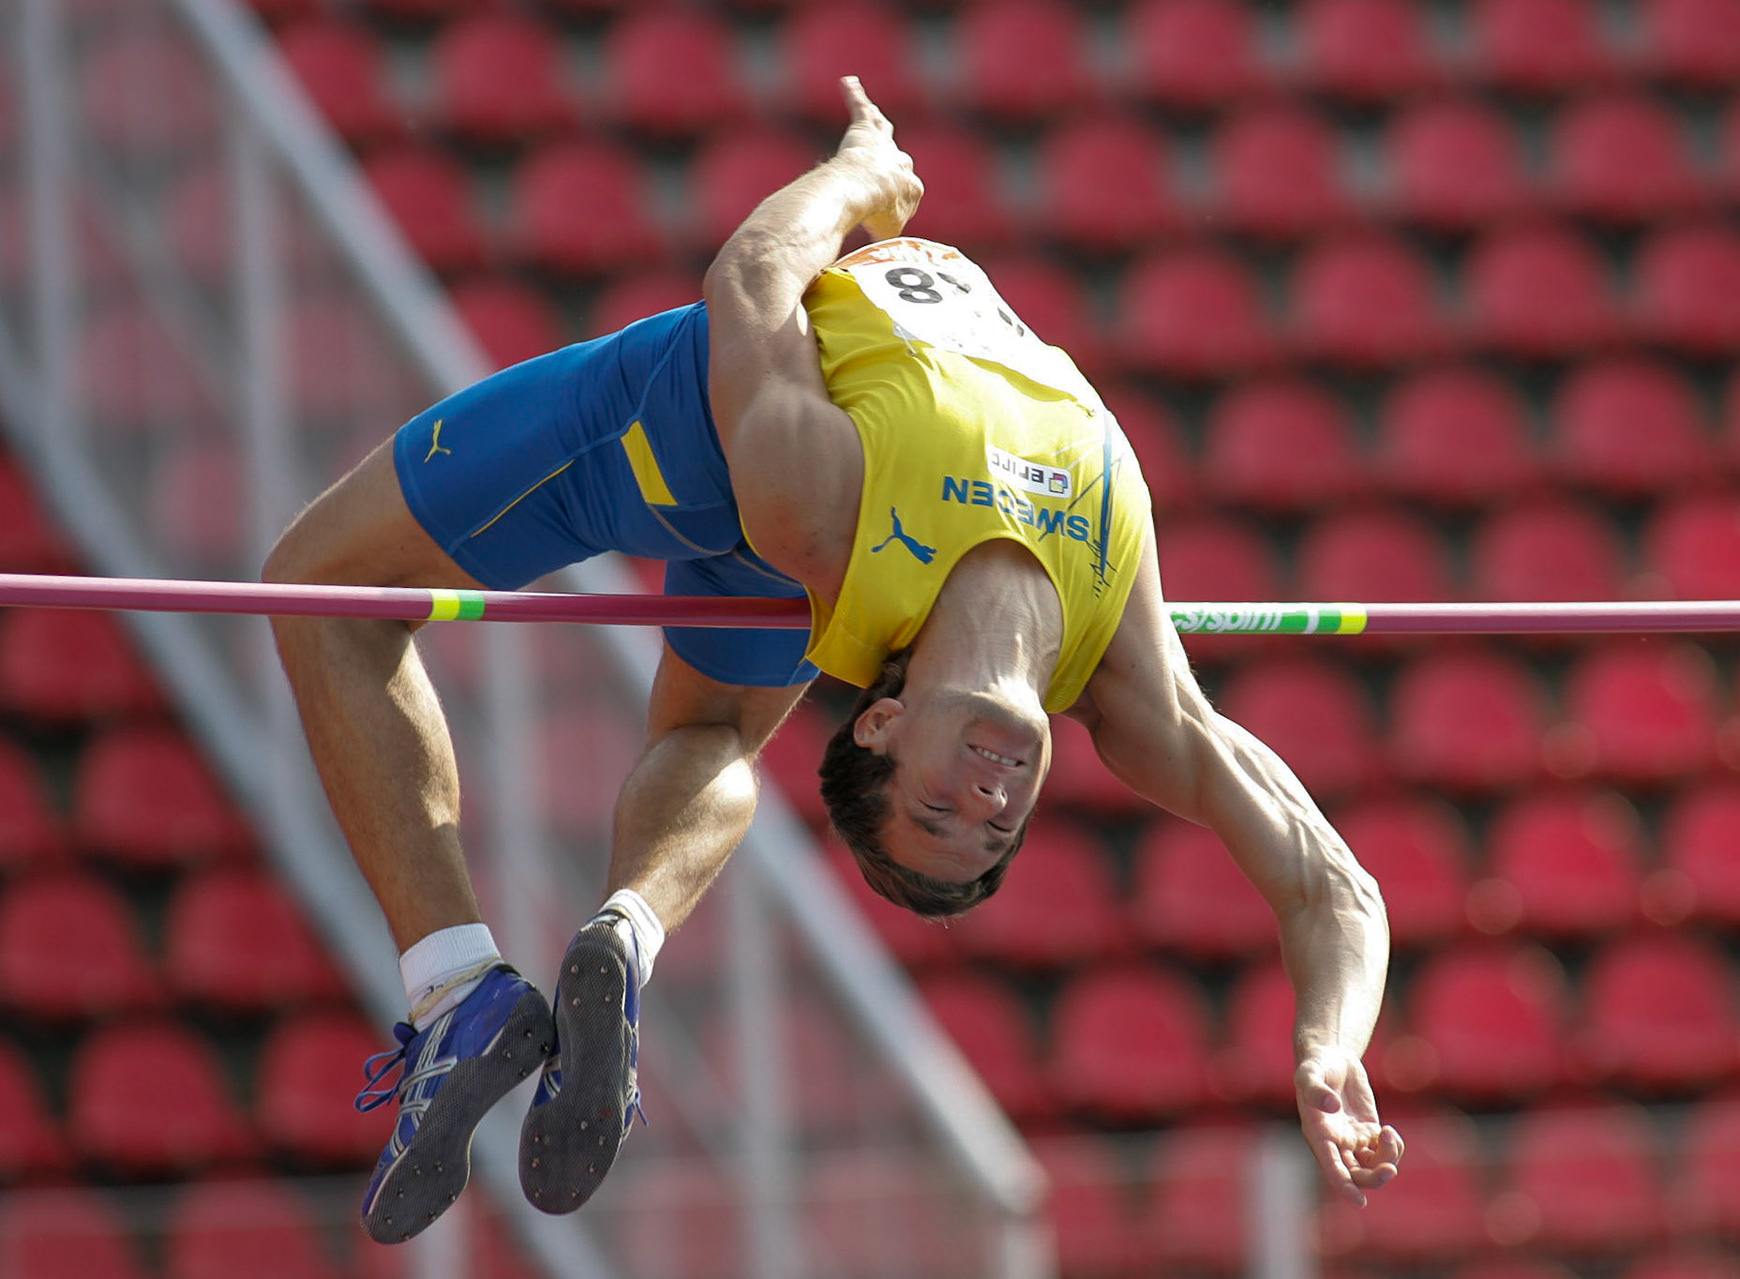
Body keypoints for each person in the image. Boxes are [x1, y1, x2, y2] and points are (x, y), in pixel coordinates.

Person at [265, 78, 1401, 1244]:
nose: (989, 798)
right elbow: (1333, 888)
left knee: (316, 588)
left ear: (882, 723)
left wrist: (862, 178)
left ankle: (465, 984)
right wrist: (1330, 1047)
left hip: (689, 435)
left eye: (942, 807)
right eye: (995, 825)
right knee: (708, 735)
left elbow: (753, 284)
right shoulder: (1128, 675)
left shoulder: (820, 510)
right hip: (800, 498)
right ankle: (624, 934)